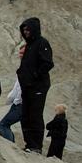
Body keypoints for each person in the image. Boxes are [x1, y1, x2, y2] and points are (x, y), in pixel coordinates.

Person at [18, 17, 54, 154]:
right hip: (27, 86)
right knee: (25, 115)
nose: (26, 32)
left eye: (28, 29)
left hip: (38, 85)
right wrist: (22, 74)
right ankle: (29, 143)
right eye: (24, 30)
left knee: (35, 115)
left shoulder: (42, 43)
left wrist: (35, 75)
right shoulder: (29, 46)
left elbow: (48, 63)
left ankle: (36, 145)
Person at [0, 45, 25, 141]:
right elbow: (16, 87)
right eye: (20, 53)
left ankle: (9, 144)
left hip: (20, 104)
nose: (21, 55)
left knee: (3, 124)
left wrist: (17, 101)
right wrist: (10, 99)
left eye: (23, 53)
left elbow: (21, 89)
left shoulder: (28, 68)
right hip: (18, 103)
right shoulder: (23, 67)